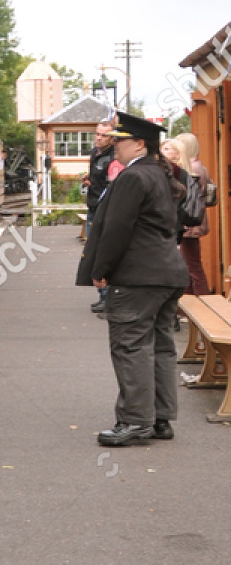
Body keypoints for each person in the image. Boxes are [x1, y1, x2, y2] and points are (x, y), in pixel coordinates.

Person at [76, 112, 190, 446]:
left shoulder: (133, 177)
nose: (114, 147)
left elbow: (117, 229)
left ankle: (135, 422)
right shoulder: (160, 175)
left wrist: (101, 268)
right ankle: (160, 419)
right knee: (161, 346)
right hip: (168, 272)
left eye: (120, 141)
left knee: (131, 346)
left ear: (139, 143)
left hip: (138, 276)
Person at [161, 136, 210, 295]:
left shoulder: (191, 169)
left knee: (193, 266)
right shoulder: (196, 167)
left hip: (189, 223)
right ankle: (189, 304)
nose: (163, 151)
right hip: (192, 221)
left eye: (168, 148)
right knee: (187, 266)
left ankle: (204, 301)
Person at [82, 117, 119, 314]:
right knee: (93, 252)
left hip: (104, 209)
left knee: (102, 253)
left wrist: (94, 184)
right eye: (97, 134)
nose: (99, 138)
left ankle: (108, 297)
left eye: (104, 135)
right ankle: (102, 295)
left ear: (112, 138)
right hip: (93, 207)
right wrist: (89, 180)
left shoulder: (114, 157)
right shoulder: (94, 153)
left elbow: (111, 185)